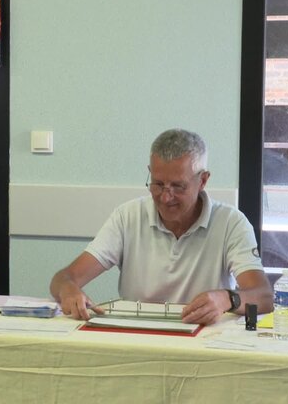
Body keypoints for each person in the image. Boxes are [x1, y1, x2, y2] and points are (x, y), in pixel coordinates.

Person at [49, 129, 273, 325]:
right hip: (137, 338)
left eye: (178, 186)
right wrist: (69, 290)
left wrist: (227, 298)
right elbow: (64, 278)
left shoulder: (231, 223)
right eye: (157, 184)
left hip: (203, 341)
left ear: (203, 180)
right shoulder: (128, 216)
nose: (166, 197)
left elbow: (263, 296)